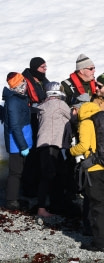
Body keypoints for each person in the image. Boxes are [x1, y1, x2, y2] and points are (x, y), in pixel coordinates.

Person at [68, 101, 104, 252]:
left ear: (79, 110)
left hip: (94, 169)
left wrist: (71, 151)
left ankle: (100, 243)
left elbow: (84, 146)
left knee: (97, 206)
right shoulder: (102, 120)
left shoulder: (86, 122)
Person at [35, 82, 72, 217]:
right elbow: (72, 117)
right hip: (52, 143)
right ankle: (42, 208)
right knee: (49, 176)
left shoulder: (43, 106)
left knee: (54, 174)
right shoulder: (59, 104)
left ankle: (54, 203)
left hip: (44, 144)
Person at [2, 73, 33, 211]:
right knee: (15, 173)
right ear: (19, 85)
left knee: (19, 171)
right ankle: (11, 201)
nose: (26, 85)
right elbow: (15, 126)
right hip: (17, 143)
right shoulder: (13, 101)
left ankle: (16, 197)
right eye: (24, 83)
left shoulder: (19, 98)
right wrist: (23, 146)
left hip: (23, 140)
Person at [21, 57, 50, 197]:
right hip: (30, 121)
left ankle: (39, 185)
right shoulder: (24, 82)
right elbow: (22, 103)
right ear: (34, 68)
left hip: (42, 121)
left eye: (45, 67)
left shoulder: (44, 81)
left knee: (41, 154)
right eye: (42, 67)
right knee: (31, 156)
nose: (45, 69)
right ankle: (28, 188)